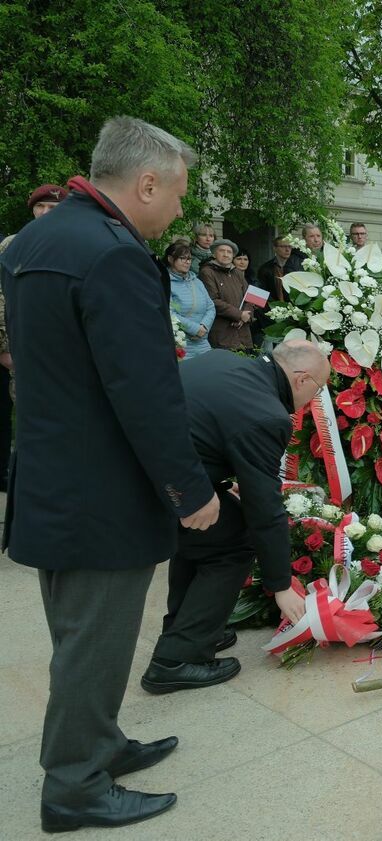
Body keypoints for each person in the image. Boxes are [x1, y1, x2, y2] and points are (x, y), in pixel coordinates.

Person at [0, 115, 221, 833]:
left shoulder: (38, 238)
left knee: (83, 635)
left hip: (50, 475)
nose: (181, 211)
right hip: (100, 492)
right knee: (94, 642)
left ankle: (98, 743)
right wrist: (190, 489)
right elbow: (145, 389)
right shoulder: (114, 254)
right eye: (179, 194)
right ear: (146, 182)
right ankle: (74, 786)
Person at [141, 341, 323, 693]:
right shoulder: (267, 413)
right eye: (318, 389)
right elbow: (264, 508)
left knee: (213, 527)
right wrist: (281, 586)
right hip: (157, 489)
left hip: (149, 471)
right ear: (301, 379)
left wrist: (217, 484)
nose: (314, 400)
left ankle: (190, 627)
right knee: (235, 540)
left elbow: (200, 430)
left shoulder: (224, 361)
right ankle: (177, 658)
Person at [0, 184, 70, 481]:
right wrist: (5, 346)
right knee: (31, 418)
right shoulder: (14, 244)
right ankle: (27, 479)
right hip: (23, 346)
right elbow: (2, 297)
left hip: (61, 347)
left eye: (52, 209)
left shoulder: (73, 243)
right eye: (40, 207)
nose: (45, 213)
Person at [199, 238, 255, 351]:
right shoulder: (207, 272)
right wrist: (239, 315)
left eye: (229, 252)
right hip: (222, 333)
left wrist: (246, 316)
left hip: (243, 333)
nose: (226, 254)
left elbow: (251, 297)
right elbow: (213, 301)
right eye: (222, 251)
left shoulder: (238, 273)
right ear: (214, 254)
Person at [166, 241, 215, 359]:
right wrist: (195, 329)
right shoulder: (165, 282)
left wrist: (204, 327)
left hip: (202, 341)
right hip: (181, 344)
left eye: (189, 258)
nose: (187, 262)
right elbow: (169, 312)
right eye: (182, 258)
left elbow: (211, 307)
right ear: (170, 259)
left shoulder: (196, 281)